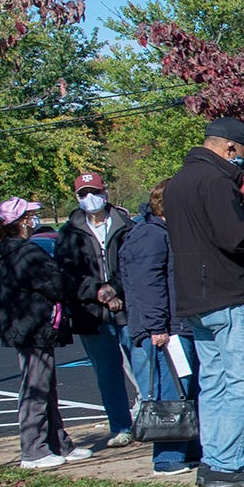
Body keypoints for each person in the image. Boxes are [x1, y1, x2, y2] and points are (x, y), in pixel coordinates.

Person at [165, 118, 244, 487]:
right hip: (227, 293)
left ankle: (214, 459)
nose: (243, 165)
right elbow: (238, 239)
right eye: (243, 156)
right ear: (229, 149)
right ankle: (229, 464)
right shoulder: (215, 182)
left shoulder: (178, 183)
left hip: (195, 295)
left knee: (213, 382)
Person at [0, 198, 92, 469]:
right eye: (31, 215)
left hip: (26, 329)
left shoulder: (7, 253)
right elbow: (58, 282)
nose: (35, 219)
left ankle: (58, 442)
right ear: (21, 222)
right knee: (36, 388)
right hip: (34, 328)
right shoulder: (26, 254)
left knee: (46, 388)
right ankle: (33, 450)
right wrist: (93, 290)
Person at [116, 183, 201, 474]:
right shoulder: (149, 235)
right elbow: (146, 286)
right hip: (166, 328)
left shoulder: (164, 232)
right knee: (170, 390)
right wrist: (157, 327)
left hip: (178, 323)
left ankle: (187, 449)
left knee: (184, 388)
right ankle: (167, 457)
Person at [53, 170, 137, 446]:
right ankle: (121, 426)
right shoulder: (68, 234)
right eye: (83, 194)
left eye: (95, 192)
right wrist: (99, 291)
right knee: (107, 373)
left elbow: (135, 264)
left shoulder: (126, 225)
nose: (90, 198)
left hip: (128, 309)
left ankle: (153, 420)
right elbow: (67, 274)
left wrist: (115, 288)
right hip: (91, 314)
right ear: (77, 198)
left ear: (106, 193)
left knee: (144, 367)